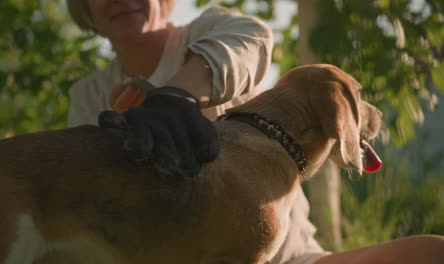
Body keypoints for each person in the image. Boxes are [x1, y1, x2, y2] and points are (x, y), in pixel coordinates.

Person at [65, 1, 444, 263]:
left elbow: (250, 42)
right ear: (83, 6)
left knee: (431, 253)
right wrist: (117, 151)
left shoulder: (214, 28)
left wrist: (174, 96)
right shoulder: (88, 96)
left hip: (294, 255)